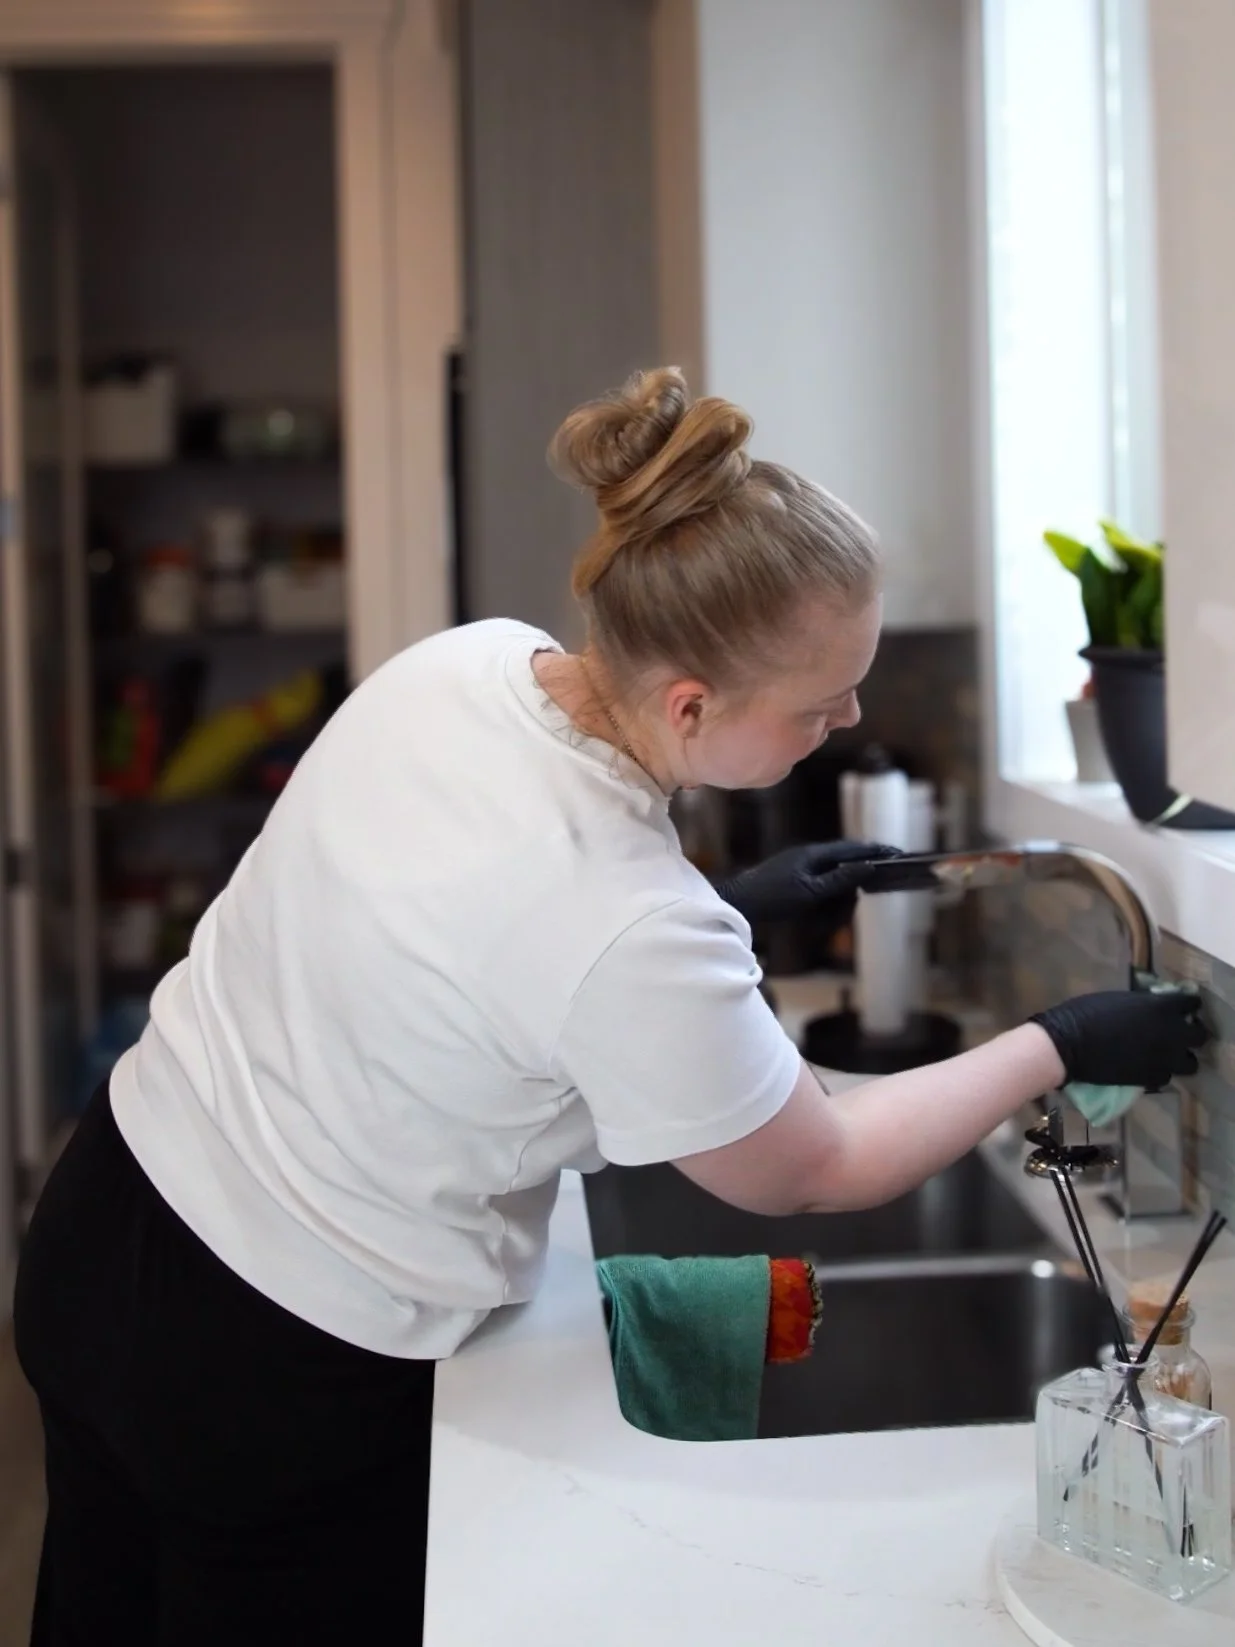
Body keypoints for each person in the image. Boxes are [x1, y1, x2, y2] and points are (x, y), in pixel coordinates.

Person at [14, 367, 1206, 1644]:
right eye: (818, 707)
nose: (847, 720)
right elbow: (813, 1164)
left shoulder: (468, 664)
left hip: (105, 1222)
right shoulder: (629, 919)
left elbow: (462, 925)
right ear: (689, 705)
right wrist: (1056, 1042)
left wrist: (725, 911)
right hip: (269, 1369)